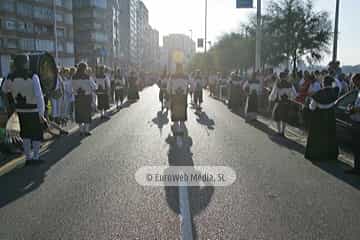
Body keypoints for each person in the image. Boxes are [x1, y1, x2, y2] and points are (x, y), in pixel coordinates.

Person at [2, 55, 46, 164]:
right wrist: (42, 112)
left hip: (20, 110)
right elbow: (39, 95)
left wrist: (12, 99)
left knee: (25, 134)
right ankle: (36, 157)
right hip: (33, 109)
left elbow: (4, 89)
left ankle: (28, 157)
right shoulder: (33, 76)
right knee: (36, 134)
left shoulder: (10, 76)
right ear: (25, 63)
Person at [305, 76, 339, 161]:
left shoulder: (318, 93)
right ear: (331, 83)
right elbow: (337, 85)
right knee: (329, 135)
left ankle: (317, 155)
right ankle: (330, 155)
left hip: (319, 117)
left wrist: (309, 105)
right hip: (330, 116)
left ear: (323, 83)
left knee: (318, 136)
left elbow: (312, 107)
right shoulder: (334, 92)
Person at [269, 72, 297, 137]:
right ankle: (283, 132)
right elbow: (295, 95)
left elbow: (273, 94)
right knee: (284, 117)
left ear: (280, 77)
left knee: (277, 116)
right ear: (285, 77)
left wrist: (271, 99)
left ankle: (279, 131)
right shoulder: (290, 84)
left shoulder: (277, 84)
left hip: (279, 103)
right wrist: (290, 98)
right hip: (287, 103)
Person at [72, 62, 96, 136]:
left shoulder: (73, 77)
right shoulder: (87, 77)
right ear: (85, 68)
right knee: (86, 113)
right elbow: (94, 86)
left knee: (79, 113)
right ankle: (86, 130)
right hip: (86, 97)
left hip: (78, 97)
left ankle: (81, 130)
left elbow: (71, 87)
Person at [167, 63, 188, 136]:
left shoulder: (172, 76)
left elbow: (168, 87)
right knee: (182, 112)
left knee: (175, 112)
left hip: (175, 97)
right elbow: (192, 85)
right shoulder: (186, 77)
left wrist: (169, 94)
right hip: (183, 97)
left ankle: (176, 129)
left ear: (176, 68)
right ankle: (181, 129)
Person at [345, 73, 360, 175]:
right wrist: (352, 106)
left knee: (357, 146)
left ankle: (357, 168)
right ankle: (356, 167)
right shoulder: (358, 91)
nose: (354, 83)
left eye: (355, 81)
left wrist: (352, 109)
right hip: (356, 121)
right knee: (356, 147)